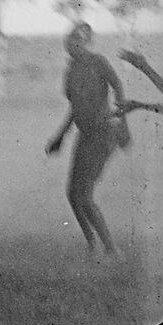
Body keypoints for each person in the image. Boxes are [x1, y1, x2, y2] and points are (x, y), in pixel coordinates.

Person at [46, 23, 124, 255]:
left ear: (86, 41)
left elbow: (117, 84)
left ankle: (111, 249)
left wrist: (120, 113)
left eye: (77, 40)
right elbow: (75, 108)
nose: (71, 44)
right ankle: (93, 244)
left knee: (84, 195)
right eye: (69, 40)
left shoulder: (98, 61)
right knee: (73, 195)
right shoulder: (70, 70)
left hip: (103, 134)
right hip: (85, 136)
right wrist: (59, 137)